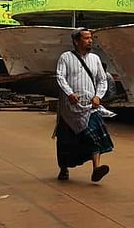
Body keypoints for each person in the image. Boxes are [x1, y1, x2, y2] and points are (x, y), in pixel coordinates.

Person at [54, 28, 115, 182]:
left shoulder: (95, 59)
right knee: (65, 141)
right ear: (76, 41)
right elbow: (60, 77)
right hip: (69, 109)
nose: (90, 41)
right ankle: (64, 169)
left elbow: (102, 80)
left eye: (91, 38)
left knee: (95, 136)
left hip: (89, 107)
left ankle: (96, 169)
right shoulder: (65, 58)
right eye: (86, 38)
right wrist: (69, 93)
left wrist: (98, 96)